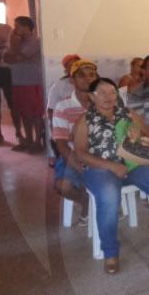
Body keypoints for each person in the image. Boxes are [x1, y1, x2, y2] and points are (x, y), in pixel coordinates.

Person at [74, 78, 149, 274]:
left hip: (132, 165)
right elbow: (80, 153)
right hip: (100, 168)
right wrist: (110, 166)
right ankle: (110, 252)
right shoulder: (85, 120)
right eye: (102, 93)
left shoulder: (128, 114)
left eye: (112, 92)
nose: (109, 97)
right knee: (108, 195)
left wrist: (148, 140)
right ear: (92, 96)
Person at [52, 59, 98, 226]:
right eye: (81, 76)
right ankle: (87, 202)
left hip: (101, 155)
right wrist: (79, 166)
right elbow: (61, 145)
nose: (87, 79)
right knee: (63, 186)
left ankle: (103, 201)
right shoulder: (63, 106)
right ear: (72, 80)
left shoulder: (104, 103)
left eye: (91, 75)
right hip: (73, 155)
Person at [4, 16, 44, 152]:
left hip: (31, 83)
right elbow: (7, 59)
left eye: (18, 27)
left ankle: (37, 143)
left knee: (35, 114)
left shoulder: (35, 42)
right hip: (17, 82)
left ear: (27, 28)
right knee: (23, 113)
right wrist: (14, 45)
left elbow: (16, 57)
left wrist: (13, 45)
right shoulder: (17, 41)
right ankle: (28, 141)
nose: (15, 30)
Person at [46, 54, 81, 165]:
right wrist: (55, 132)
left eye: (77, 65)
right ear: (66, 70)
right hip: (65, 127)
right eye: (70, 66)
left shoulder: (88, 84)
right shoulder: (59, 86)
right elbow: (51, 110)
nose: (74, 68)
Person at [0, 10, 13, 145]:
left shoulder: (6, 29)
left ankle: (19, 133)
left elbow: (11, 48)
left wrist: (0, 51)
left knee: (13, 104)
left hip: (6, 70)